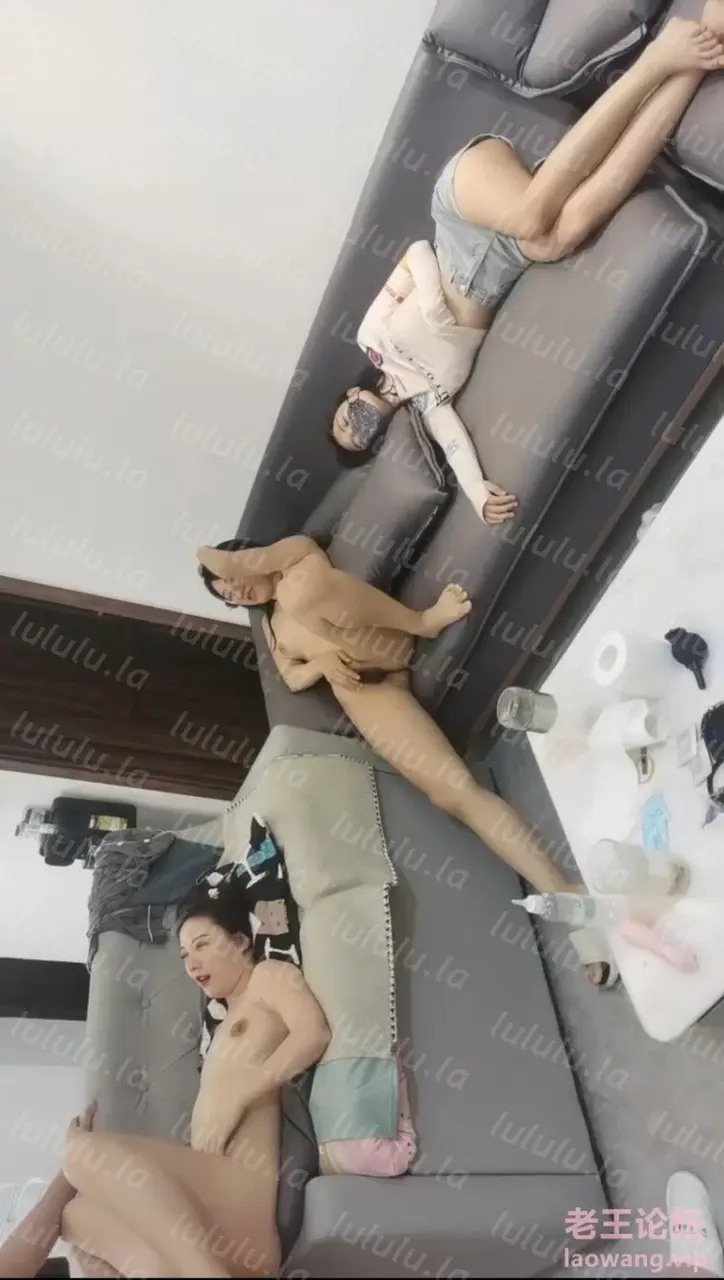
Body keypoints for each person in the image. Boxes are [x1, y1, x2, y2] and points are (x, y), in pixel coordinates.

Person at [331, 7, 724, 521]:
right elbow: (453, 444)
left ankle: (655, 60)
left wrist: (434, 310)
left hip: (462, 214)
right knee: (560, 235)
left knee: (528, 217)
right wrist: (477, 493)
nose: (357, 427)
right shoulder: (431, 400)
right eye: (360, 439)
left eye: (345, 421)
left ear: (350, 394)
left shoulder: (372, 340)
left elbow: (416, 255)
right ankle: (693, 64)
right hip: (508, 255)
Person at [197, 535, 618, 988]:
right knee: (452, 793)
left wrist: (211, 558)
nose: (237, 593)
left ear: (248, 557)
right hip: (363, 691)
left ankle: (424, 621)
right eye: (228, 595)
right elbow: (292, 675)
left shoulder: (297, 557)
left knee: (300, 592)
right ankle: (567, 897)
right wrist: (321, 663)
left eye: (233, 580)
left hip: (385, 645)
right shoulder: (271, 626)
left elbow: (251, 561)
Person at [56, 877, 331, 1278]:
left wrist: (238, 1097)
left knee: (80, 1153)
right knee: (74, 1217)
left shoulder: (268, 977)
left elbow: (313, 1034)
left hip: (244, 1197)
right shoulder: (220, 1030)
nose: (192, 963)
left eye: (202, 944)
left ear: (240, 941)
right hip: (214, 1214)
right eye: (185, 954)